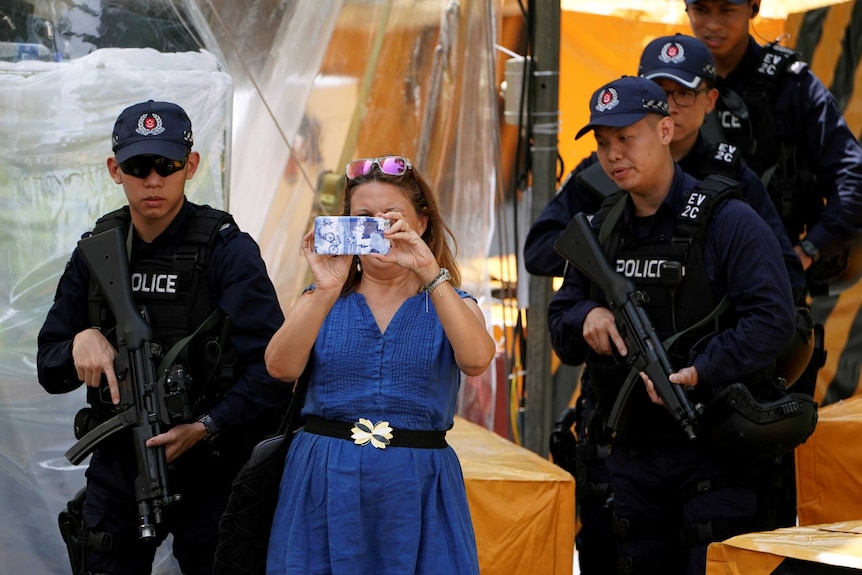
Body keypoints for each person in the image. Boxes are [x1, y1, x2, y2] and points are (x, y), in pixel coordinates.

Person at [525, 35, 805, 575]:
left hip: (712, 451)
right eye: (603, 142)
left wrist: (703, 369)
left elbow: (773, 318)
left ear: (664, 130)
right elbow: (561, 318)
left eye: (626, 138)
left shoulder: (728, 216)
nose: (613, 155)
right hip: (627, 459)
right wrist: (588, 316)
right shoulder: (600, 227)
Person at [36, 100, 292, 575]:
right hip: (120, 469)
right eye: (138, 166)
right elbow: (48, 367)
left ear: (190, 165)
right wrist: (79, 344)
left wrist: (208, 425)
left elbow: (276, 372)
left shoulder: (226, 250)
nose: (153, 180)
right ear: (116, 170)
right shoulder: (95, 253)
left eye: (167, 164)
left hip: (213, 468)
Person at [264, 155, 496, 574]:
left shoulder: (451, 302)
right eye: (364, 218)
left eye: (391, 217)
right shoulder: (322, 296)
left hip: (419, 484)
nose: (378, 229)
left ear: (421, 223)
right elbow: (280, 367)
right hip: (323, 480)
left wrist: (429, 270)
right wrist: (325, 287)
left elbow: (478, 359)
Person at [685, 0, 862, 527]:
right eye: (700, 8)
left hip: (769, 300)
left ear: (754, 7)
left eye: (726, 9)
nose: (712, 24)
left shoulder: (791, 84)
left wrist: (810, 249)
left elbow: (853, 176)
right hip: (686, 298)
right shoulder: (671, 74)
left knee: (765, 456)